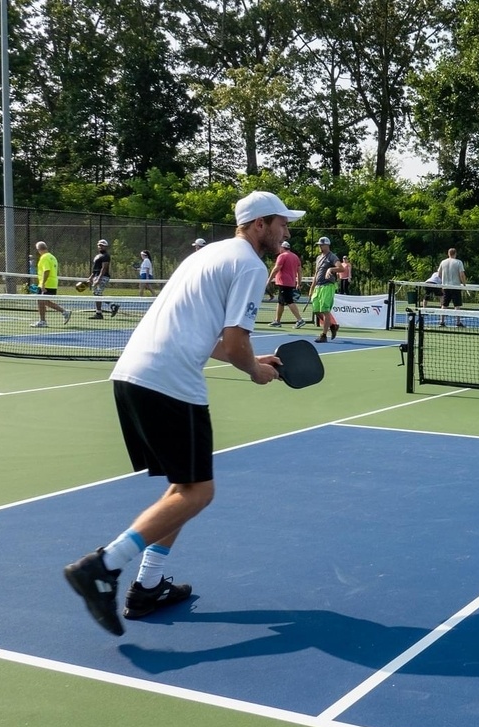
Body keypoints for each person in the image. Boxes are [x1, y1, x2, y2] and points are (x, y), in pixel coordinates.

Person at [62, 190, 300, 636]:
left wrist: (253, 359)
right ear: (259, 225)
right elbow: (233, 343)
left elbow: (209, 337)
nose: (287, 230)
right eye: (281, 222)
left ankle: (147, 586)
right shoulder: (249, 264)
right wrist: (253, 371)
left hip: (133, 374)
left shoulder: (209, 255)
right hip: (170, 382)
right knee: (198, 492)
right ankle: (103, 566)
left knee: (182, 487)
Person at [30, 241, 71, 328]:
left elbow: (47, 271)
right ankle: (44, 320)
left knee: (42, 301)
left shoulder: (44, 257)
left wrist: (43, 284)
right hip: (52, 283)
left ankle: (61, 312)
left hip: (46, 284)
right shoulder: (52, 257)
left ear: (38, 250)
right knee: (42, 301)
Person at [310, 236, 343, 342]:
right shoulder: (319, 258)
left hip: (327, 286)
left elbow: (341, 268)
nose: (320, 246)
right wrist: (312, 287)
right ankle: (332, 325)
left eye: (322, 244)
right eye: (319, 245)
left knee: (325, 310)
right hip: (318, 286)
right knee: (316, 310)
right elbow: (316, 274)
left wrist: (331, 269)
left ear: (327, 245)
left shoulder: (332, 256)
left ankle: (324, 335)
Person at [267, 240, 306, 328]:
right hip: (290, 283)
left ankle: (300, 320)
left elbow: (276, 269)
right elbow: (299, 271)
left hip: (284, 283)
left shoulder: (282, 256)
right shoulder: (295, 257)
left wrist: (269, 280)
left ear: (282, 247)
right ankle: (277, 321)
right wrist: (298, 283)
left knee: (289, 301)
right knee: (280, 302)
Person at [86, 239, 119, 318]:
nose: (100, 246)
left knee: (97, 294)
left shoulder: (106, 256)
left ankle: (102, 311)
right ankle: (102, 311)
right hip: (97, 276)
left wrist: (98, 279)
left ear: (106, 247)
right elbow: (95, 269)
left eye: (102, 245)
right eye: (99, 245)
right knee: (96, 293)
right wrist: (91, 277)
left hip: (103, 277)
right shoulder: (97, 256)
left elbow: (104, 268)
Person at [438, 247, 467, 327]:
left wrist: (444, 281)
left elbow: (439, 274)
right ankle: (458, 322)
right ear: (455, 254)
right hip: (455, 287)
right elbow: (462, 274)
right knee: (457, 305)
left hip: (446, 287)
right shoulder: (459, 262)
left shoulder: (443, 262)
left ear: (448, 254)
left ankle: (442, 321)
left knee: (444, 305)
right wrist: (464, 284)